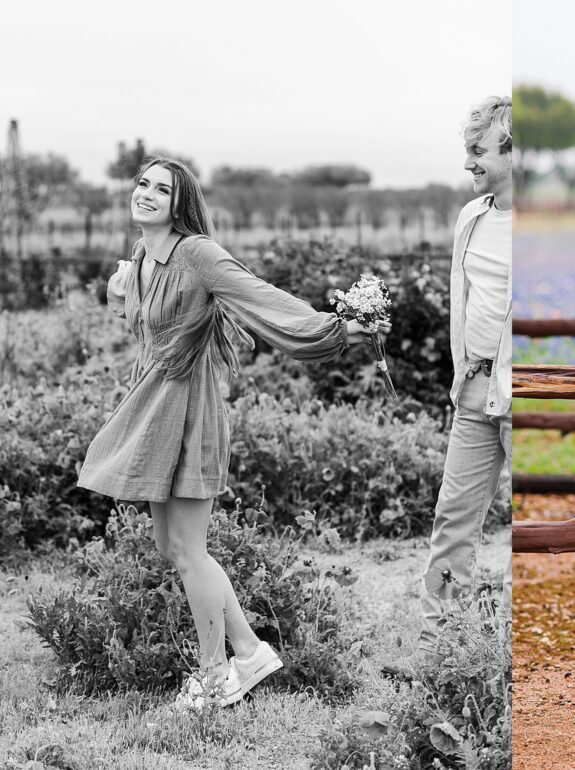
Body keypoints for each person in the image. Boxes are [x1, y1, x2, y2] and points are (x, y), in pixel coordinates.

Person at [78, 157, 382, 710]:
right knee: (171, 548)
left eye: (161, 189)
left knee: (190, 552)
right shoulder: (145, 255)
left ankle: (216, 675)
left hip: (191, 414)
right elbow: (139, 322)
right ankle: (249, 650)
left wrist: (335, 328)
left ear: (180, 202)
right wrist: (119, 289)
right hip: (153, 412)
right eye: (142, 183)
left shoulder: (197, 254)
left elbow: (258, 295)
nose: (146, 193)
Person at [384, 96, 512, 675]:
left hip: (520, 389)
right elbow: (465, 303)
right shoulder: (472, 217)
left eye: (478, 151)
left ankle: (510, 656)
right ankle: (439, 654)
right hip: (476, 388)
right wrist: (463, 370)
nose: (469, 163)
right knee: (452, 520)